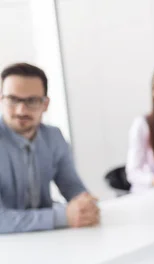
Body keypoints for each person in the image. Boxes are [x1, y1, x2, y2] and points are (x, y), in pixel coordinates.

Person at [0, 63, 99, 234]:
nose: (21, 110)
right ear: (1, 99)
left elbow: (73, 187)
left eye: (31, 101)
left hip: (48, 240)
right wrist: (62, 216)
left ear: (45, 104)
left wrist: (84, 204)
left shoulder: (53, 137)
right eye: (13, 100)